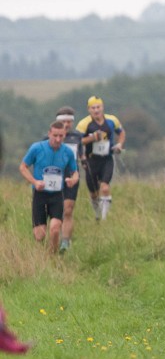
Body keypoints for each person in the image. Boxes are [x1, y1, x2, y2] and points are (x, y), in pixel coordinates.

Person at [19, 121, 79, 254]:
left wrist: (72, 180)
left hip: (57, 195)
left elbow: (75, 172)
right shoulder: (37, 148)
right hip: (39, 194)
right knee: (39, 235)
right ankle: (40, 256)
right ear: (49, 134)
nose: (58, 139)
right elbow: (23, 167)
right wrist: (34, 182)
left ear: (64, 135)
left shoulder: (67, 152)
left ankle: (52, 257)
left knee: (55, 228)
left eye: (61, 136)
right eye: (55, 136)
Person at [76, 96, 126, 221]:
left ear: (102, 107)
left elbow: (121, 132)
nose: (96, 110)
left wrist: (120, 144)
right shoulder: (84, 123)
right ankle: (97, 215)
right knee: (93, 193)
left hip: (107, 158)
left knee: (105, 187)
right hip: (91, 160)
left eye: (98, 107)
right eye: (93, 108)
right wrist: (92, 139)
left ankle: (104, 219)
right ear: (89, 109)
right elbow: (77, 141)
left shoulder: (111, 120)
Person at [54, 106, 85, 253]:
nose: (67, 124)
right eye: (64, 121)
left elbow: (81, 154)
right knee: (57, 212)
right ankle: (54, 237)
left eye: (69, 121)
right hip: (54, 177)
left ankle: (65, 243)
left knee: (68, 210)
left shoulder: (77, 136)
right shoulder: (50, 137)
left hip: (72, 177)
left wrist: (84, 162)